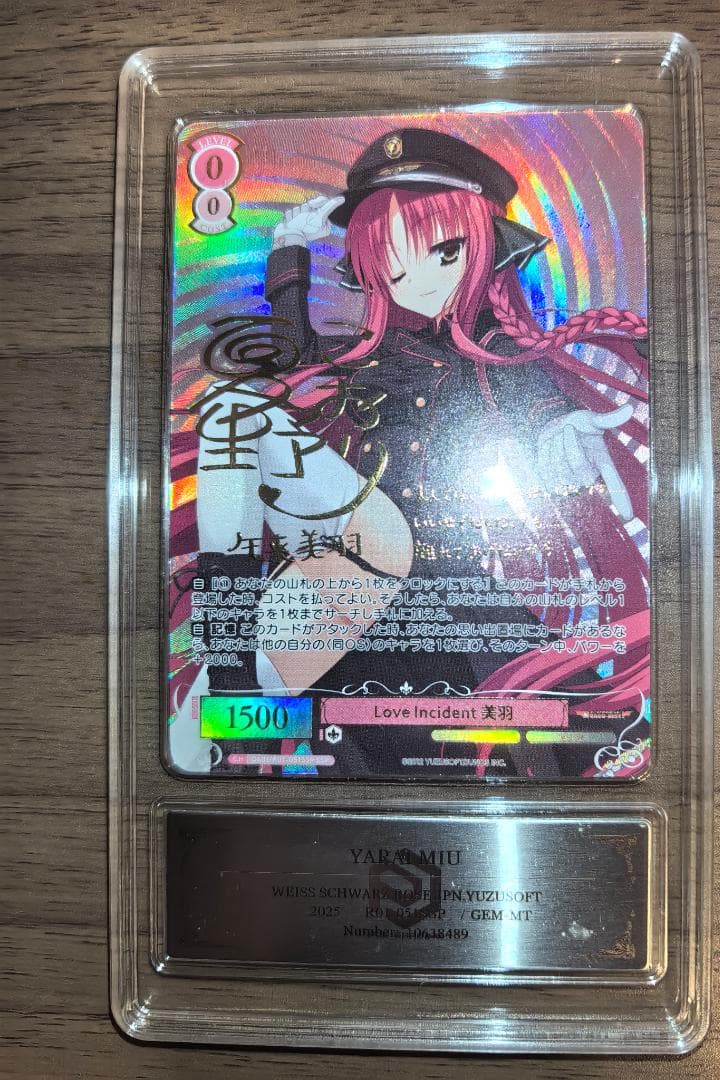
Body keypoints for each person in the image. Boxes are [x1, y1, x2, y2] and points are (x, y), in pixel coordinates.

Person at [169, 128, 650, 778]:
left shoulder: (493, 355)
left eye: (443, 252)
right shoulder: (365, 356)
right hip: (350, 557)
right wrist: (288, 256)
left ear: (485, 243)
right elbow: (288, 368)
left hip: (434, 583)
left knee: (503, 744)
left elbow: (531, 398)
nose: (414, 282)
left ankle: (226, 682)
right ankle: (226, 670)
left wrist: (559, 433)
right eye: (390, 267)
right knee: (234, 416)